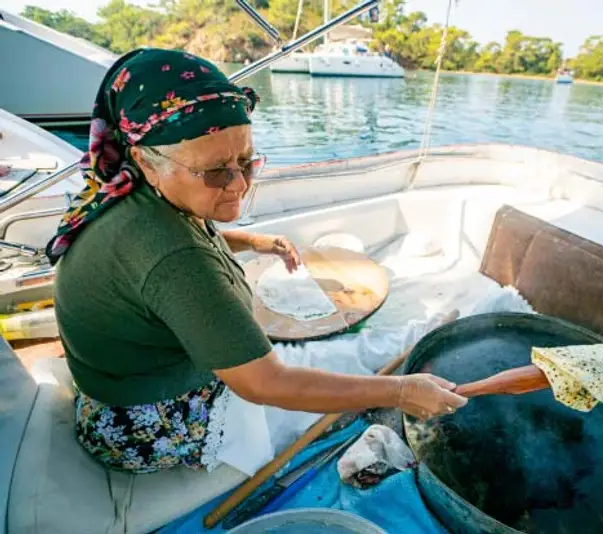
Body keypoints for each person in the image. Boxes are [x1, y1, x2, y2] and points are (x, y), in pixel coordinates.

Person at [50, 48, 467, 474]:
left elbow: (158, 265)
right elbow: (264, 383)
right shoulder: (170, 254)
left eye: (246, 161)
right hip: (147, 424)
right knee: (319, 399)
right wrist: (396, 394)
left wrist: (252, 240)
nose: (239, 184)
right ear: (145, 160)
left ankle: (405, 346)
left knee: (326, 359)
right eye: (215, 171)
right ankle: (401, 366)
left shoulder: (127, 193)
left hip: (122, 383)